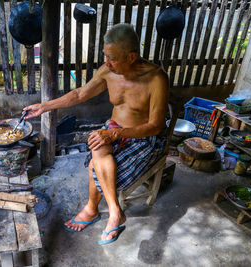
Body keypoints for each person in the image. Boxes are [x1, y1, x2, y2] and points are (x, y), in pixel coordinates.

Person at [23, 23, 168, 245]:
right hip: (114, 130)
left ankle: (92, 209)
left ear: (131, 57)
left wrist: (116, 135)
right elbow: (80, 94)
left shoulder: (156, 78)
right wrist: (44, 106)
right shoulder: (108, 72)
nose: (107, 63)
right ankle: (114, 211)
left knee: (94, 165)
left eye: (112, 58)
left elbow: (156, 126)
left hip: (144, 138)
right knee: (98, 144)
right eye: (105, 56)